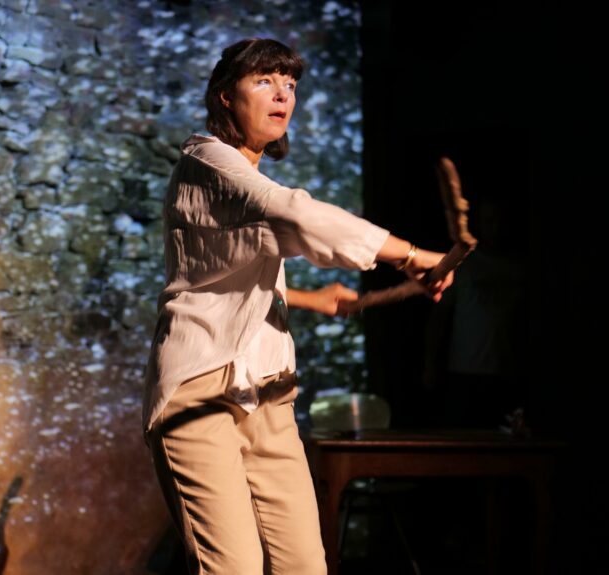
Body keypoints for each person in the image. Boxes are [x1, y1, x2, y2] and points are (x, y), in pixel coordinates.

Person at [142, 38, 453, 574]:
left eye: (289, 84)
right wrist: (410, 256)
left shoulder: (244, 178)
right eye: (263, 80)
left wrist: (307, 298)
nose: (282, 93)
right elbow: (293, 214)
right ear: (224, 97)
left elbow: (217, 274)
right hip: (201, 395)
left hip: (268, 393)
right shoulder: (207, 162)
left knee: (304, 565)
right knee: (233, 567)